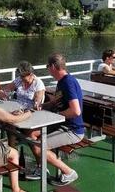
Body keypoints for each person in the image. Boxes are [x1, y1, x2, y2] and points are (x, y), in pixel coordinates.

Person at [25, 54, 82, 187]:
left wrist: (57, 115)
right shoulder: (62, 82)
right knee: (31, 133)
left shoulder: (68, 83)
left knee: (40, 147)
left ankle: (69, 172)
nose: (48, 70)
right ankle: (42, 168)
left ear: (52, 66)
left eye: (48, 67)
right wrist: (42, 106)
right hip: (61, 124)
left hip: (72, 129)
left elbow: (75, 111)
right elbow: (55, 102)